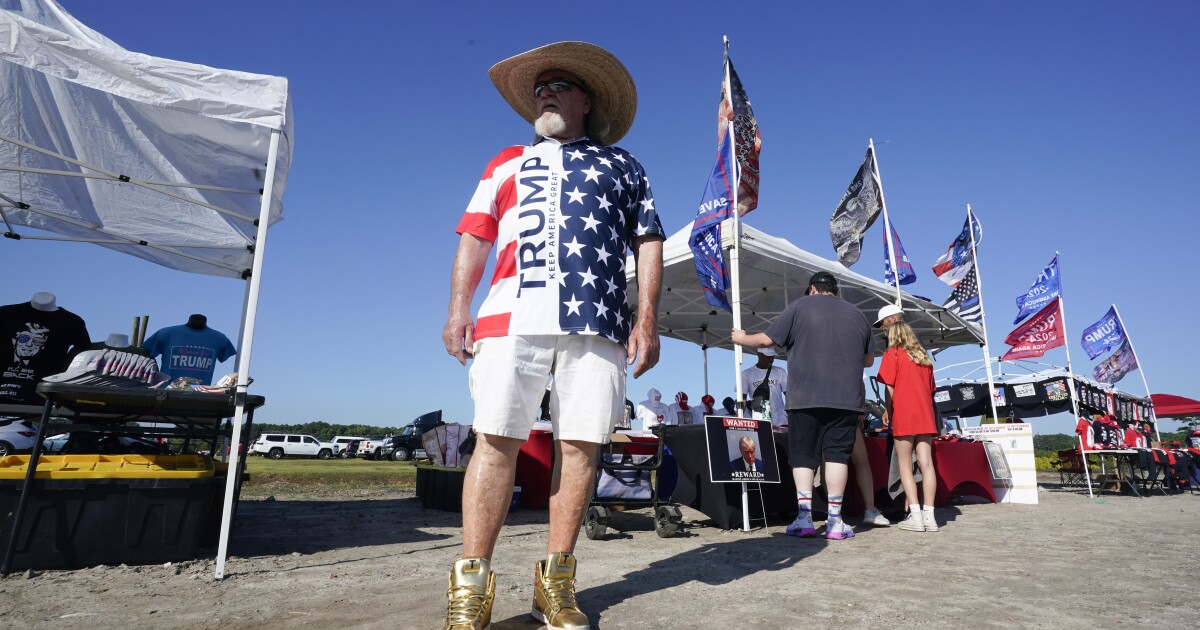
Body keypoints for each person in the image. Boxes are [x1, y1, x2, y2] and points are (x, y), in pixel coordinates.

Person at [439, 41, 664, 630]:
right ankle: (471, 588)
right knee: (495, 439)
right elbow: (475, 235)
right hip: (510, 317)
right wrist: (458, 306)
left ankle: (556, 587)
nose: (546, 92)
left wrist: (648, 319)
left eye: (560, 84)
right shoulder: (505, 162)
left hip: (598, 322)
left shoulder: (624, 166)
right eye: (540, 87)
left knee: (581, 445)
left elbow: (648, 242)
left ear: (587, 101)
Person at [731, 271, 876, 541]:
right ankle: (835, 521)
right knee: (836, 456)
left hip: (805, 398)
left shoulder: (799, 306)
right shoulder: (857, 314)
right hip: (845, 400)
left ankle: (804, 518)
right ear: (836, 291)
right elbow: (868, 361)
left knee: (803, 458)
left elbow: (766, 341)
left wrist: (741, 338)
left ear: (812, 289)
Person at [875, 304, 939, 533]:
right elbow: (931, 390)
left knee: (905, 465)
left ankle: (915, 515)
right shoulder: (924, 358)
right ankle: (930, 516)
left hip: (904, 412)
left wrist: (888, 412)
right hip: (925, 414)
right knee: (926, 463)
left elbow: (889, 389)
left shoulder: (891, 354)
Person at [141, 314, 236, 385]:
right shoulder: (165, 334)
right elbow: (146, 354)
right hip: (166, 393)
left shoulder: (220, 339)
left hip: (199, 395)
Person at [740, 346, 787, 429]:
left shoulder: (780, 371)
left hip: (781, 419)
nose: (771, 359)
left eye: (772, 356)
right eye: (768, 356)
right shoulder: (746, 374)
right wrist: (739, 419)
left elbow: (789, 394)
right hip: (761, 417)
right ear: (759, 355)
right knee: (765, 439)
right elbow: (742, 399)